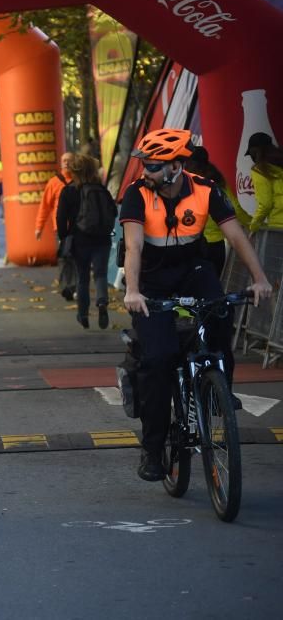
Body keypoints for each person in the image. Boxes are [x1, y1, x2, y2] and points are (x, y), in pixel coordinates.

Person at [121, 128, 272, 482]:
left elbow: (235, 235)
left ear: (176, 167)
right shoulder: (136, 194)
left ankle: (219, 387)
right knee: (157, 360)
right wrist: (132, 290)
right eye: (146, 166)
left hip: (193, 269)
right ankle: (153, 450)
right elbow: (134, 248)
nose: (147, 172)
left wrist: (259, 278)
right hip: (151, 278)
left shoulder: (205, 189)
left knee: (222, 309)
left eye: (155, 166)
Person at [57, 154, 116, 329]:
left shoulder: (68, 191)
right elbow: (113, 211)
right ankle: (102, 302)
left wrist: (64, 237)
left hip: (79, 239)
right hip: (102, 238)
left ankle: (83, 314)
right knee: (101, 274)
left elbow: (61, 218)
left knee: (82, 277)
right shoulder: (101, 189)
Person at [183, 146, 250, 278]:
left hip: (197, 243)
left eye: (186, 161)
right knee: (211, 285)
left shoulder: (189, 182)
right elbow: (233, 206)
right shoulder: (215, 179)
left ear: (192, 163)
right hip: (215, 243)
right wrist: (251, 223)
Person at [35, 152, 76, 300]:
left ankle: (73, 286)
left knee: (76, 257)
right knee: (65, 257)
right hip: (61, 227)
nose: (66, 163)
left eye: (69, 160)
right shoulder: (54, 182)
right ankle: (66, 287)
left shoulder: (80, 180)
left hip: (79, 227)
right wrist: (38, 227)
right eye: (64, 160)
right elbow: (45, 206)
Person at [245, 132, 283, 236]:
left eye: (251, 152)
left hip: (279, 226)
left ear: (255, 149)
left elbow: (265, 204)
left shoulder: (260, 169)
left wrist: (254, 226)